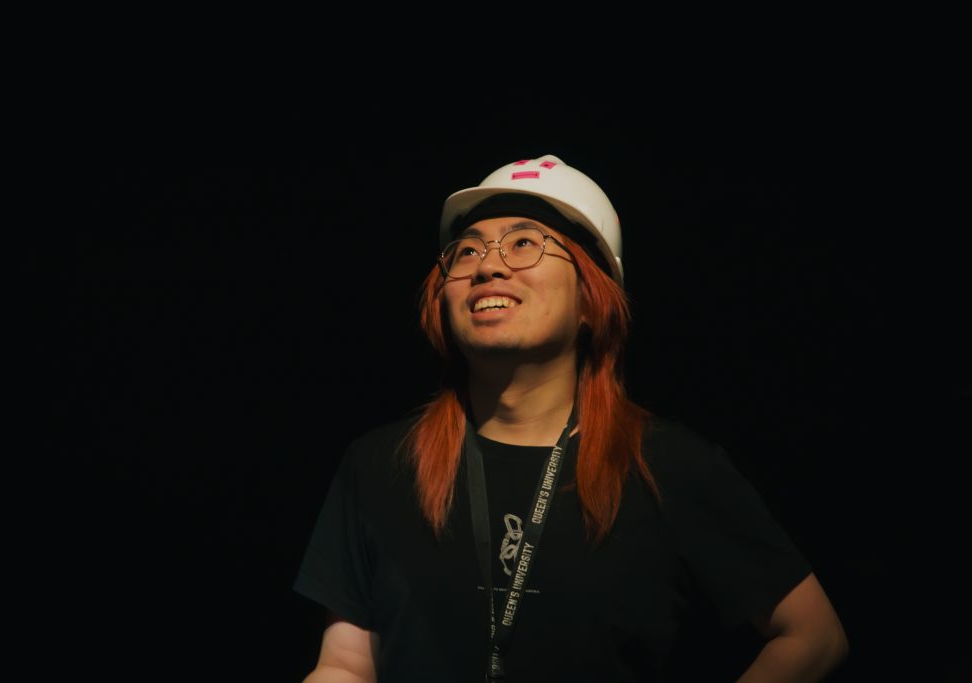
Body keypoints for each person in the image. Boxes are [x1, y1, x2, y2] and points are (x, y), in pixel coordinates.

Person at [293, 154, 849, 682]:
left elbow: (812, 637)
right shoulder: (379, 465)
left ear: (591, 299)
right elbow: (345, 664)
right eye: (466, 251)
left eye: (525, 244)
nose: (487, 266)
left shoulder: (668, 467)